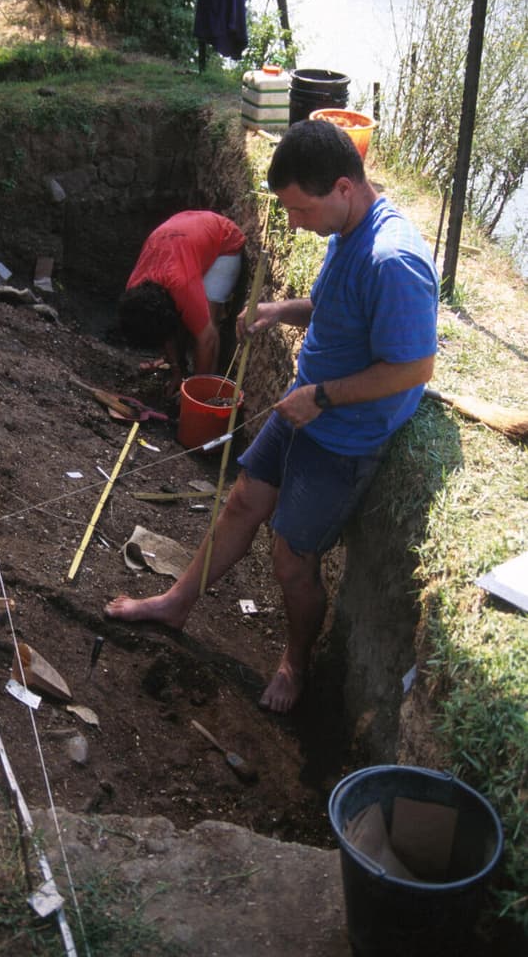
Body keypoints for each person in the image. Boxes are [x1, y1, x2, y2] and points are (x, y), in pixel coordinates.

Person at [105, 119, 440, 714]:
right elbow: (336, 307)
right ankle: (176, 602)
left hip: (342, 435)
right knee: (240, 503)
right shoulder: (347, 227)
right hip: (304, 406)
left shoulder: (395, 261)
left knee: (291, 559)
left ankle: (295, 663)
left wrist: (324, 398)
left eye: (299, 210)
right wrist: (278, 310)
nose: (292, 224)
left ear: (342, 186)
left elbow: (413, 370)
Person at [118, 210, 246, 396]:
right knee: (188, 319)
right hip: (186, 233)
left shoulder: (181, 284)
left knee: (208, 322)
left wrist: (194, 393)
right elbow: (163, 330)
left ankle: (207, 390)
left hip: (224, 242)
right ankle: (184, 370)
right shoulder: (134, 288)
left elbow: (207, 338)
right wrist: (176, 369)